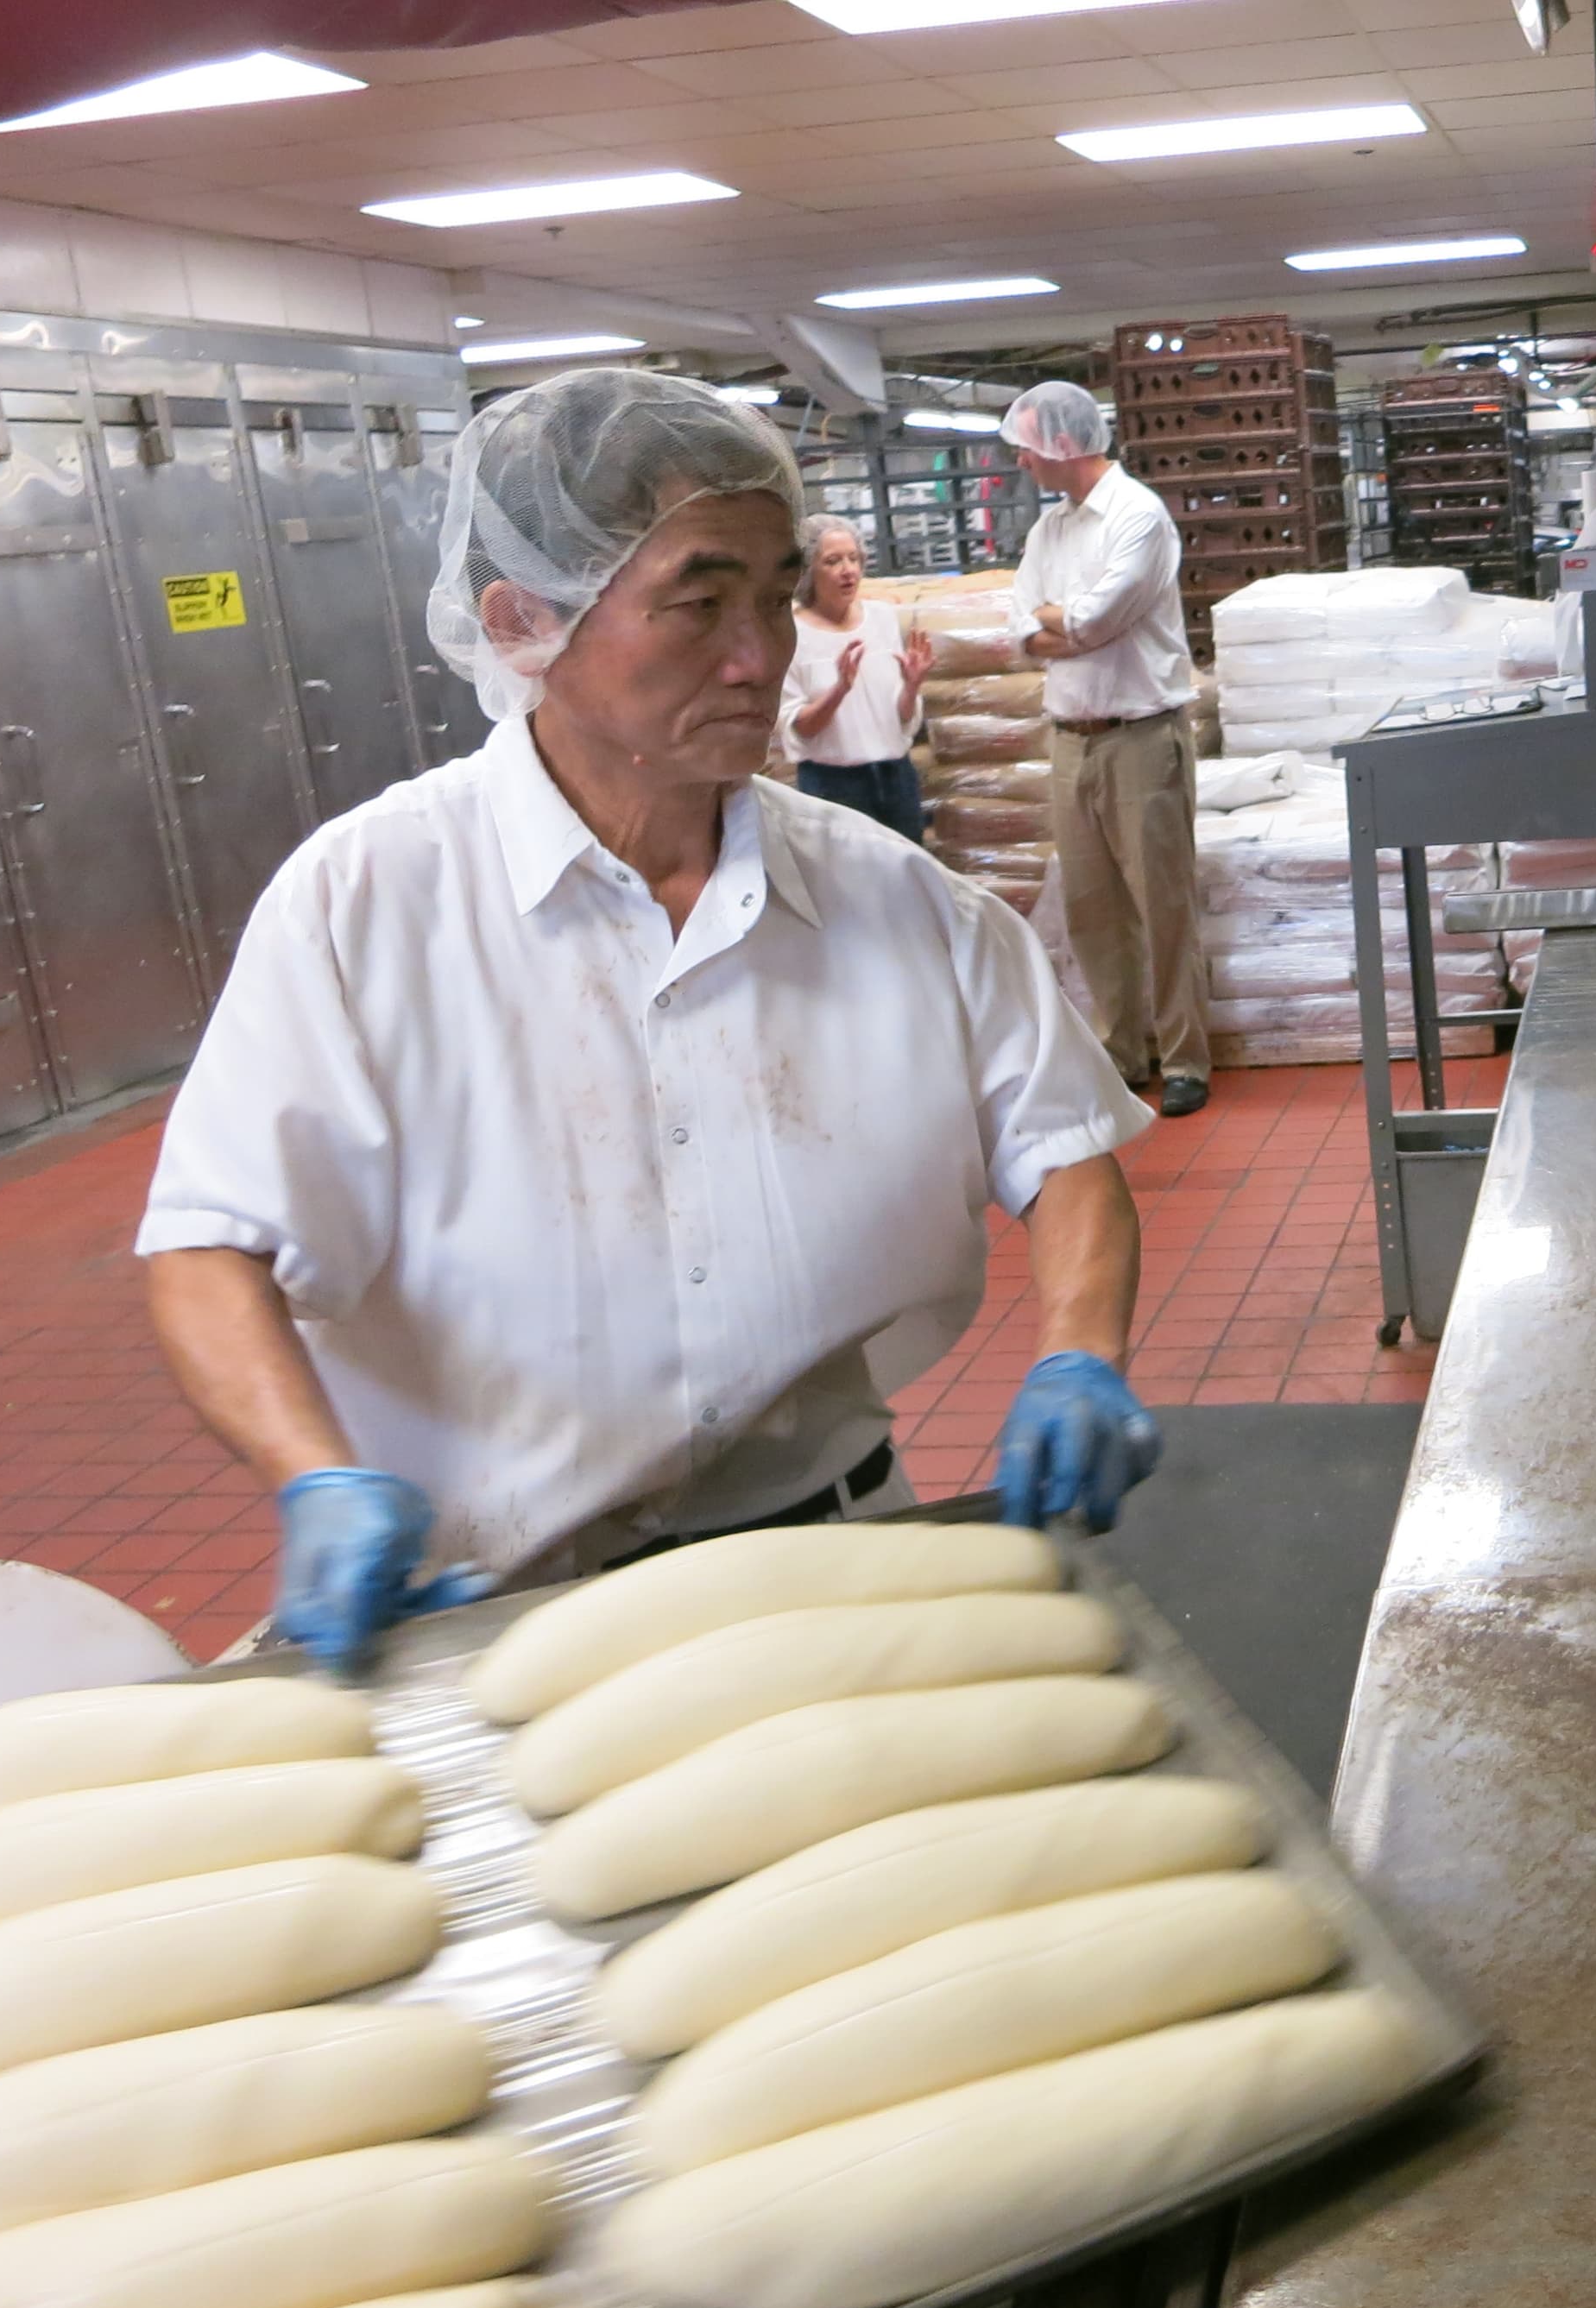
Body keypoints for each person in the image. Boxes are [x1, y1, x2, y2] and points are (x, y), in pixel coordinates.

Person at [136, 369, 1164, 1676]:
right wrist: (313, 1479)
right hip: (492, 1601)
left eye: (773, 594)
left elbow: (1064, 1151)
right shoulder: (368, 903)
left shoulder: (898, 901)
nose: (759, 656)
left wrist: (1079, 1354)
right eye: (696, 604)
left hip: (832, 1565)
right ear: (523, 623)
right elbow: (210, 1247)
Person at [1002, 380, 1209, 1118]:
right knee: (1092, 910)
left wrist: (1057, 624)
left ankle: (1184, 1057)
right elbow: (1017, 622)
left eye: (1025, 447)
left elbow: (1094, 620)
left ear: (1062, 444)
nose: (1020, 462)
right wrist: (1055, 626)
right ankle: (1124, 1052)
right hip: (1071, 740)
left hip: (1141, 738)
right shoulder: (1050, 531)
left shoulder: (1138, 517)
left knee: (1163, 904)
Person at [779, 514, 933, 841]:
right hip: (832, 786)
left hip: (896, 778)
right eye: (833, 561)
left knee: (906, 883)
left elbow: (901, 717)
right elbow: (798, 728)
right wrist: (839, 690)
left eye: (853, 558)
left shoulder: (882, 618)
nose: (848, 570)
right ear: (807, 572)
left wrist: (912, 686)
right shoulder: (790, 635)